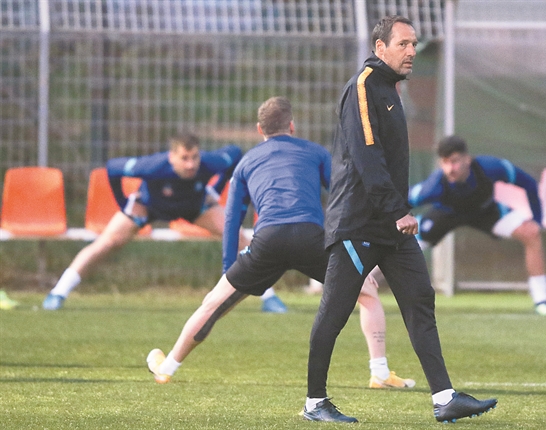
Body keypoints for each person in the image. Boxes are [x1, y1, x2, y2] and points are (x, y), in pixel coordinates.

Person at [303, 16, 497, 424]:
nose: (412, 51)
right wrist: (398, 211)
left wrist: (395, 213)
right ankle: (314, 403)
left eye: (414, 44)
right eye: (404, 44)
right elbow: (367, 157)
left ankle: (444, 397)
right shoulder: (363, 87)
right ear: (380, 48)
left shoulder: (390, 88)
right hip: (358, 223)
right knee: (335, 312)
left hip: (389, 225)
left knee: (420, 300)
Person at [146, 96, 415, 390]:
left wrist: (228, 268)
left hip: (268, 241)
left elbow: (232, 220)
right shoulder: (315, 152)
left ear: (259, 129)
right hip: (311, 237)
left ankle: (167, 367)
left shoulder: (246, 163)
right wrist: (352, 245)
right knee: (368, 291)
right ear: (292, 126)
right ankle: (379, 373)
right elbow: (344, 195)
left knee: (213, 304)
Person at [42, 134, 285, 313]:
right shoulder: (154, 166)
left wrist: (215, 189)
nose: (191, 164)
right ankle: (58, 293)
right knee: (106, 242)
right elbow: (113, 168)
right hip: (149, 206)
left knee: (239, 238)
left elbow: (234, 154)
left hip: (195, 207)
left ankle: (269, 297)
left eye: (194, 157)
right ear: (172, 157)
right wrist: (124, 203)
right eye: (184, 158)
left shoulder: (209, 162)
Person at [409, 135, 546, 316]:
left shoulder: (491, 168)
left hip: (486, 212)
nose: (450, 169)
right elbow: (402, 201)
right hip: (445, 215)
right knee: (399, 246)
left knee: (531, 233)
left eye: (455, 161)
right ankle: (373, 290)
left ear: (467, 159)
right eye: (445, 163)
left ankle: (542, 301)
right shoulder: (433, 186)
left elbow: (529, 183)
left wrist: (537, 220)